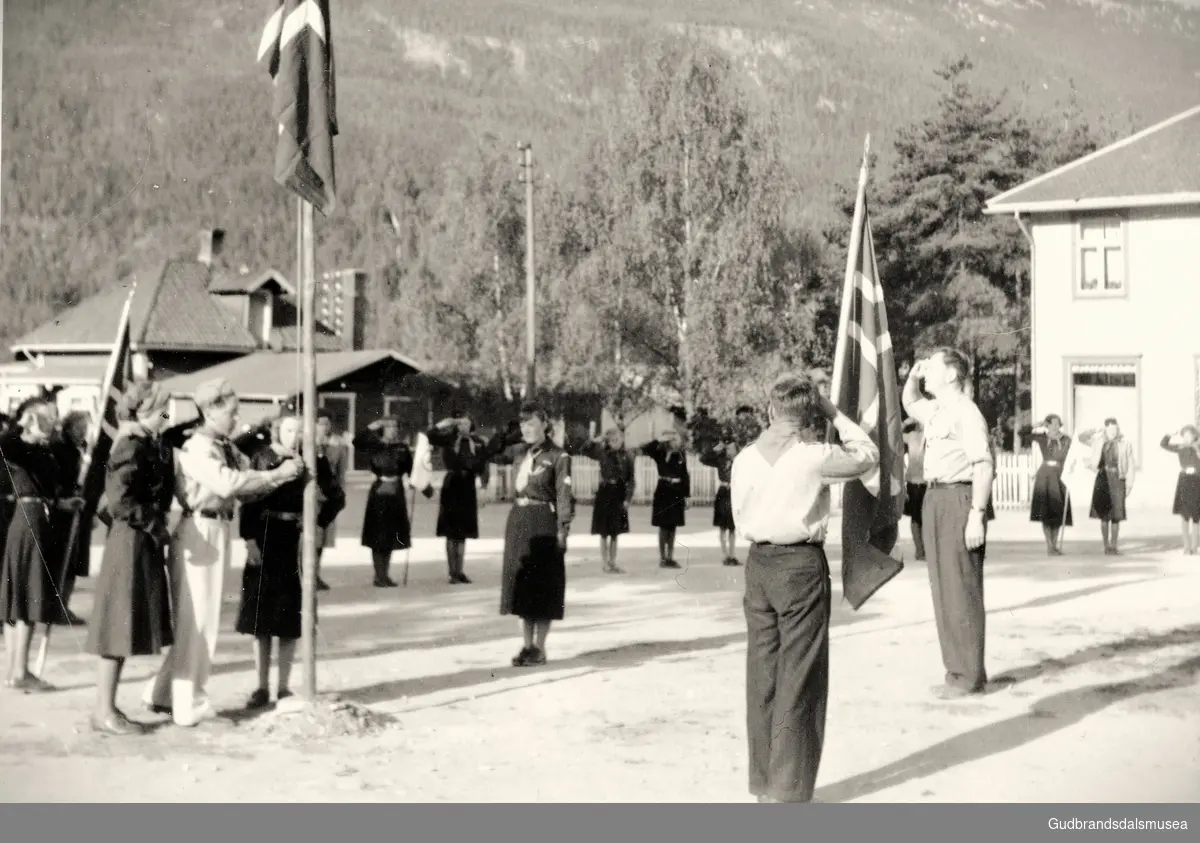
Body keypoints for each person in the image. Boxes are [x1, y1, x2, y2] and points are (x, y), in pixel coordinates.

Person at [732, 373, 879, 804]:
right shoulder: (815, 456)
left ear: (771, 410)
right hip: (800, 566)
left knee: (763, 676)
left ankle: (763, 784)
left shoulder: (744, 458)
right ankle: (789, 787)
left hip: (759, 563)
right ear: (808, 414)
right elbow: (867, 455)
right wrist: (834, 413)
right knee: (800, 677)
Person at [142, 378, 302, 727]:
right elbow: (229, 483)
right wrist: (277, 474)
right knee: (199, 621)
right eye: (231, 412)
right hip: (199, 529)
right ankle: (191, 704)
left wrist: (277, 475)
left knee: (196, 618)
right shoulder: (199, 446)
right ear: (211, 411)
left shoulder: (222, 444)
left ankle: (164, 693)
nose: (236, 418)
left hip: (215, 528)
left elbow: (246, 482)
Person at [902, 347, 994, 699]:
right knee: (943, 589)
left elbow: (983, 464)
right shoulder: (938, 410)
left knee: (961, 589)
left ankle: (969, 676)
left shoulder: (965, 413)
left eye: (933, 367)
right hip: (935, 498)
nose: (926, 373)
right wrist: (913, 375)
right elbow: (910, 403)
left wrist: (977, 516)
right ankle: (957, 671)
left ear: (953, 375)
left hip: (960, 499)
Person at [85, 381, 175, 735]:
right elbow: (120, 500)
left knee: (123, 628)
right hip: (131, 541)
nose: (167, 416)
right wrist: (157, 526)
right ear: (144, 411)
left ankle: (106, 708)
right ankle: (103, 711)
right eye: (163, 409)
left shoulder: (148, 444)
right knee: (116, 627)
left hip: (140, 540)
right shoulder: (131, 444)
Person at [235, 412, 342, 709]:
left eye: (299, 431)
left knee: (289, 618)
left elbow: (336, 496)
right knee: (261, 620)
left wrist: (317, 522)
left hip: (295, 542)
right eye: (289, 430)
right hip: (265, 537)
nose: (294, 436)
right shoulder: (262, 458)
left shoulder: (313, 461)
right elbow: (249, 500)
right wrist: (250, 540)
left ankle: (283, 687)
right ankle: (261, 686)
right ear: (277, 431)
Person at [486, 404, 575, 667]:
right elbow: (490, 454)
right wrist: (506, 434)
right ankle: (526, 645)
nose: (526, 429)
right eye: (522, 424)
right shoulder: (517, 452)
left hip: (543, 521)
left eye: (531, 423)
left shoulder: (558, 456)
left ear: (545, 425)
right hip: (519, 520)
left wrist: (563, 529)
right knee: (521, 583)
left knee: (544, 584)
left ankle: (540, 647)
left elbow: (563, 495)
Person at [0, 397, 75, 692]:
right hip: (25, 520)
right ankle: (17, 671)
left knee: (25, 595)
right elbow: (8, 445)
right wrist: (24, 424)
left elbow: (46, 487)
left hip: (38, 518)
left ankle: (18, 670)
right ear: (31, 419)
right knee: (24, 595)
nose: (53, 424)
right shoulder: (15, 447)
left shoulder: (43, 451)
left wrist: (63, 502)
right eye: (47, 419)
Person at [427, 411, 491, 585]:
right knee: (451, 532)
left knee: (463, 532)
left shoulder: (477, 443)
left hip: (468, 486)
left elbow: (484, 465)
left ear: (471, 424)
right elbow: (430, 435)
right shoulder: (448, 439)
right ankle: (451, 572)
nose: (462, 426)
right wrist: (445, 423)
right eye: (459, 423)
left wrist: (484, 488)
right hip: (452, 485)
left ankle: (460, 570)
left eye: (466, 423)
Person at [353, 417, 414, 588]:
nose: (393, 429)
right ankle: (379, 576)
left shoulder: (402, 447)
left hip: (397, 492)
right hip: (379, 491)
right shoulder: (374, 444)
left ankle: (385, 575)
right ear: (383, 429)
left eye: (395, 426)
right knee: (378, 535)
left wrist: (414, 481)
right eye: (389, 427)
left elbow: (411, 468)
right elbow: (357, 441)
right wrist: (372, 426)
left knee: (391, 534)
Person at [573, 427, 635, 574]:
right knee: (604, 531)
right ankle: (604, 563)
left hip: (619, 493)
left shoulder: (628, 456)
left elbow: (631, 479)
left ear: (622, 439)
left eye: (618, 439)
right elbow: (584, 450)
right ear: (608, 441)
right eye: (612, 440)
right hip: (605, 493)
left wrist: (628, 499)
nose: (616, 442)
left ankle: (613, 562)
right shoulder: (602, 453)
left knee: (615, 531)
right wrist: (595, 440)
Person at [50, 410, 92, 626]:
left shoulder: (82, 449)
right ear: (67, 428)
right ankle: (55, 607)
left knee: (74, 560)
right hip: (60, 511)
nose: (82, 433)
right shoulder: (57, 449)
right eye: (78, 428)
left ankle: (64, 605)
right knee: (59, 559)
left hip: (77, 509)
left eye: (84, 429)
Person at [1077, 418, 1135, 556]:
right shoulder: (1097, 442)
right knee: (1104, 515)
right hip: (1102, 478)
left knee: (1116, 515)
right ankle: (1106, 546)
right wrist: (1094, 430)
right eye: (1110, 429)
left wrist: (1129, 484)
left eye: (1115, 428)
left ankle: (1114, 546)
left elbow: (1131, 465)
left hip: (1118, 479)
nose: (1113, 431)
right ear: (1105, 429)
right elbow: (1081, 437)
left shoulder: (1125, 444)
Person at [635, 428, 690, 569]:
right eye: (671, 439)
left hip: (676, 491)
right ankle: (662, 558)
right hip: (663, 490)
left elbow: (685, 474)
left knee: (673, 526)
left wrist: (687, 495)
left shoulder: (681, 454)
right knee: (663, 526)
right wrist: (659, 439)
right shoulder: (660, 452)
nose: (675, 442)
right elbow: (645, 448)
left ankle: (670, 557)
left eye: (675, 438)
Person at [1029, 414, 1074, 556]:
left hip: (1061, 476)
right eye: (1051, 424)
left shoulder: (1066, 440)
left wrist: (1072, 467)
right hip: (1045, 476)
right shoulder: (1043, 438)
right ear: (1047, 425)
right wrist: (1036, 425)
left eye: (1057, 424)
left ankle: (1055, 544)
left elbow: (1074, 455)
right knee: (1046, 512)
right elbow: (1022, 434)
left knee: (1058, 512)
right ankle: (1049, 545)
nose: (1054, 427)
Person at [314, 409, 347, 591]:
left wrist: (340, 493)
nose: (324, 427)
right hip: (312, 494)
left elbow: (341, 472)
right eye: (321, 423)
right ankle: (305, 573)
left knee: (322, 539)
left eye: (327, 423)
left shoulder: (337, 444)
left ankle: (316, 573)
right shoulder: (307, 443)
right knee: (311, 536)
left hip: (329, 495)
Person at [699, 425, 742, 567]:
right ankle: (725, 555)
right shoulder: (720, 460)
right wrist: (717, 448)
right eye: (727, 446)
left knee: (732, 527)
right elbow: (703, 459)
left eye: (732, 447)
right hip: (723, 492)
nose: (730, 449)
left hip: (734, 492)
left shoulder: (740, 462)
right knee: (723, 526)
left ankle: (732, 554)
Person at [1160, 425, 1200, 554]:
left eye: (1190, 435)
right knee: (1184, 515)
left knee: (1196, 516)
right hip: (1184, 481)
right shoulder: (1180, 447)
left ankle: (1194, 547)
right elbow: (1163, 444)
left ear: (1194, 436)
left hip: (1197, 481)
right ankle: (1186, 547)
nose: (1187, 438)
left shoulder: (1198, 447)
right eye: (1185, 435)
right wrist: (1169, 434)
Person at [901, 417, 928, 561]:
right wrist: (907, 421)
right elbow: (895, 433)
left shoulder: (932, 435)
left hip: (930, 481)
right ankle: (920, 550)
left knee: (927, 518)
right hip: (914, 482)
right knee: (916, 518)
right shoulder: (911, 437)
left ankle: (926, 549)